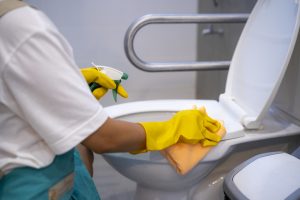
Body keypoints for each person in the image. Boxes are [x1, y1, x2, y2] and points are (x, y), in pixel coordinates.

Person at [0, 0, 222, 199]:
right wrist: (171, 129)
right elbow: (103, 138)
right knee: (82, 144)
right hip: (26, 184)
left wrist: (65, 88)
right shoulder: (20, 24)